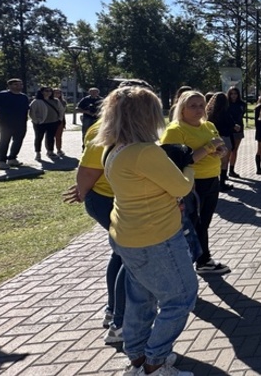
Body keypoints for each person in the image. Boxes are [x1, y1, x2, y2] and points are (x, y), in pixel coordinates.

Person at [92, 85, 197, 376]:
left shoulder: (113, 148)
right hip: (156, 237)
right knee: (181, 297)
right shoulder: (144, 151)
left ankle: (137, 356)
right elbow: (181, 186)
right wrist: (187, 164)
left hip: (127, 233)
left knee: (141, 298)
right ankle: (155, 362)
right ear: (145, 117)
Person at [62, 79, 155, 346]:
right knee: (131, 256)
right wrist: (82, 191)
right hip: (106, 200)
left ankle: (116, 311)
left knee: (123, 254)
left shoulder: (132, 129)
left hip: (123, 199)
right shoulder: (104, 129)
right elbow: (88, 170)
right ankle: (120, 321)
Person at [161, 91, 230, 275]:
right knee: (192, 224)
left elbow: (219, 146)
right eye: (193, 106)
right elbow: (180, 161)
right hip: (191, 184)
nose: (198, 109)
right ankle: (197, 261)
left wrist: (220, 151)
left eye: (201, 105)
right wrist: (209, 148)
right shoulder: (176, 130)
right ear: (182, 109)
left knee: (203, 222)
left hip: (211, 180)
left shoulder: (208, 125)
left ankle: (202, 260)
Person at [0, 78, 30, 169]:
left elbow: (27, 109)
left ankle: (12, 158)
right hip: (6, 123)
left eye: (20, 84)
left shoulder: (23, 97)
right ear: (9, 86)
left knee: (18, 141)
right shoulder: (2, 95)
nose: (19, 86)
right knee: (4, 141)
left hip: (21, 123)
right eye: (16, 84)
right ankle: (1, 160)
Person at [205, 92, 236, 192]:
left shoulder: (209, 112)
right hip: (224, 138)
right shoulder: (225, 112)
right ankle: (222, 183)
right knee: (224, 162)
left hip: (212, 138)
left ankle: (215, 182)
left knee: (215, 160)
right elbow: (232, 125)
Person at [29, 86, 64, 160]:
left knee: (50, 138)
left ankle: (50, 151)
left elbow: (61, 110)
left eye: (50, 91)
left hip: (53, 122)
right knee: (39, 138)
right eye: (46, 91)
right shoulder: (36, 101)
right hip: (40, 123)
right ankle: (38, 153)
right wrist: (36, 121)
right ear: (42, 92)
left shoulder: (56, 100)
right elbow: (32, 113)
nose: (48, 93)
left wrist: (59, 119)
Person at [225, 87, 246, 178]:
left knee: (235, 150)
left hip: (239, 129)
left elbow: (242, 115)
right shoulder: (226, 104)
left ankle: (232, 169)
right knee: (227, 150)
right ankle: (223, 171)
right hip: (229, 129)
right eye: (231, 94)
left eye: (235, 94)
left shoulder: (242, 104)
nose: (233, 96)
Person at [51, 88, 68, 157]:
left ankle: (59, 149)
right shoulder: (49, 101)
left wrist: (64, 123)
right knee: (50, 137)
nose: (57, 94)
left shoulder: (63, 102)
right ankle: (50, 150)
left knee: (58, 136)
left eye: (59, 93)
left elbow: (63, 113)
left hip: (60, 121)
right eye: (55, 93)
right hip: (50, 121)